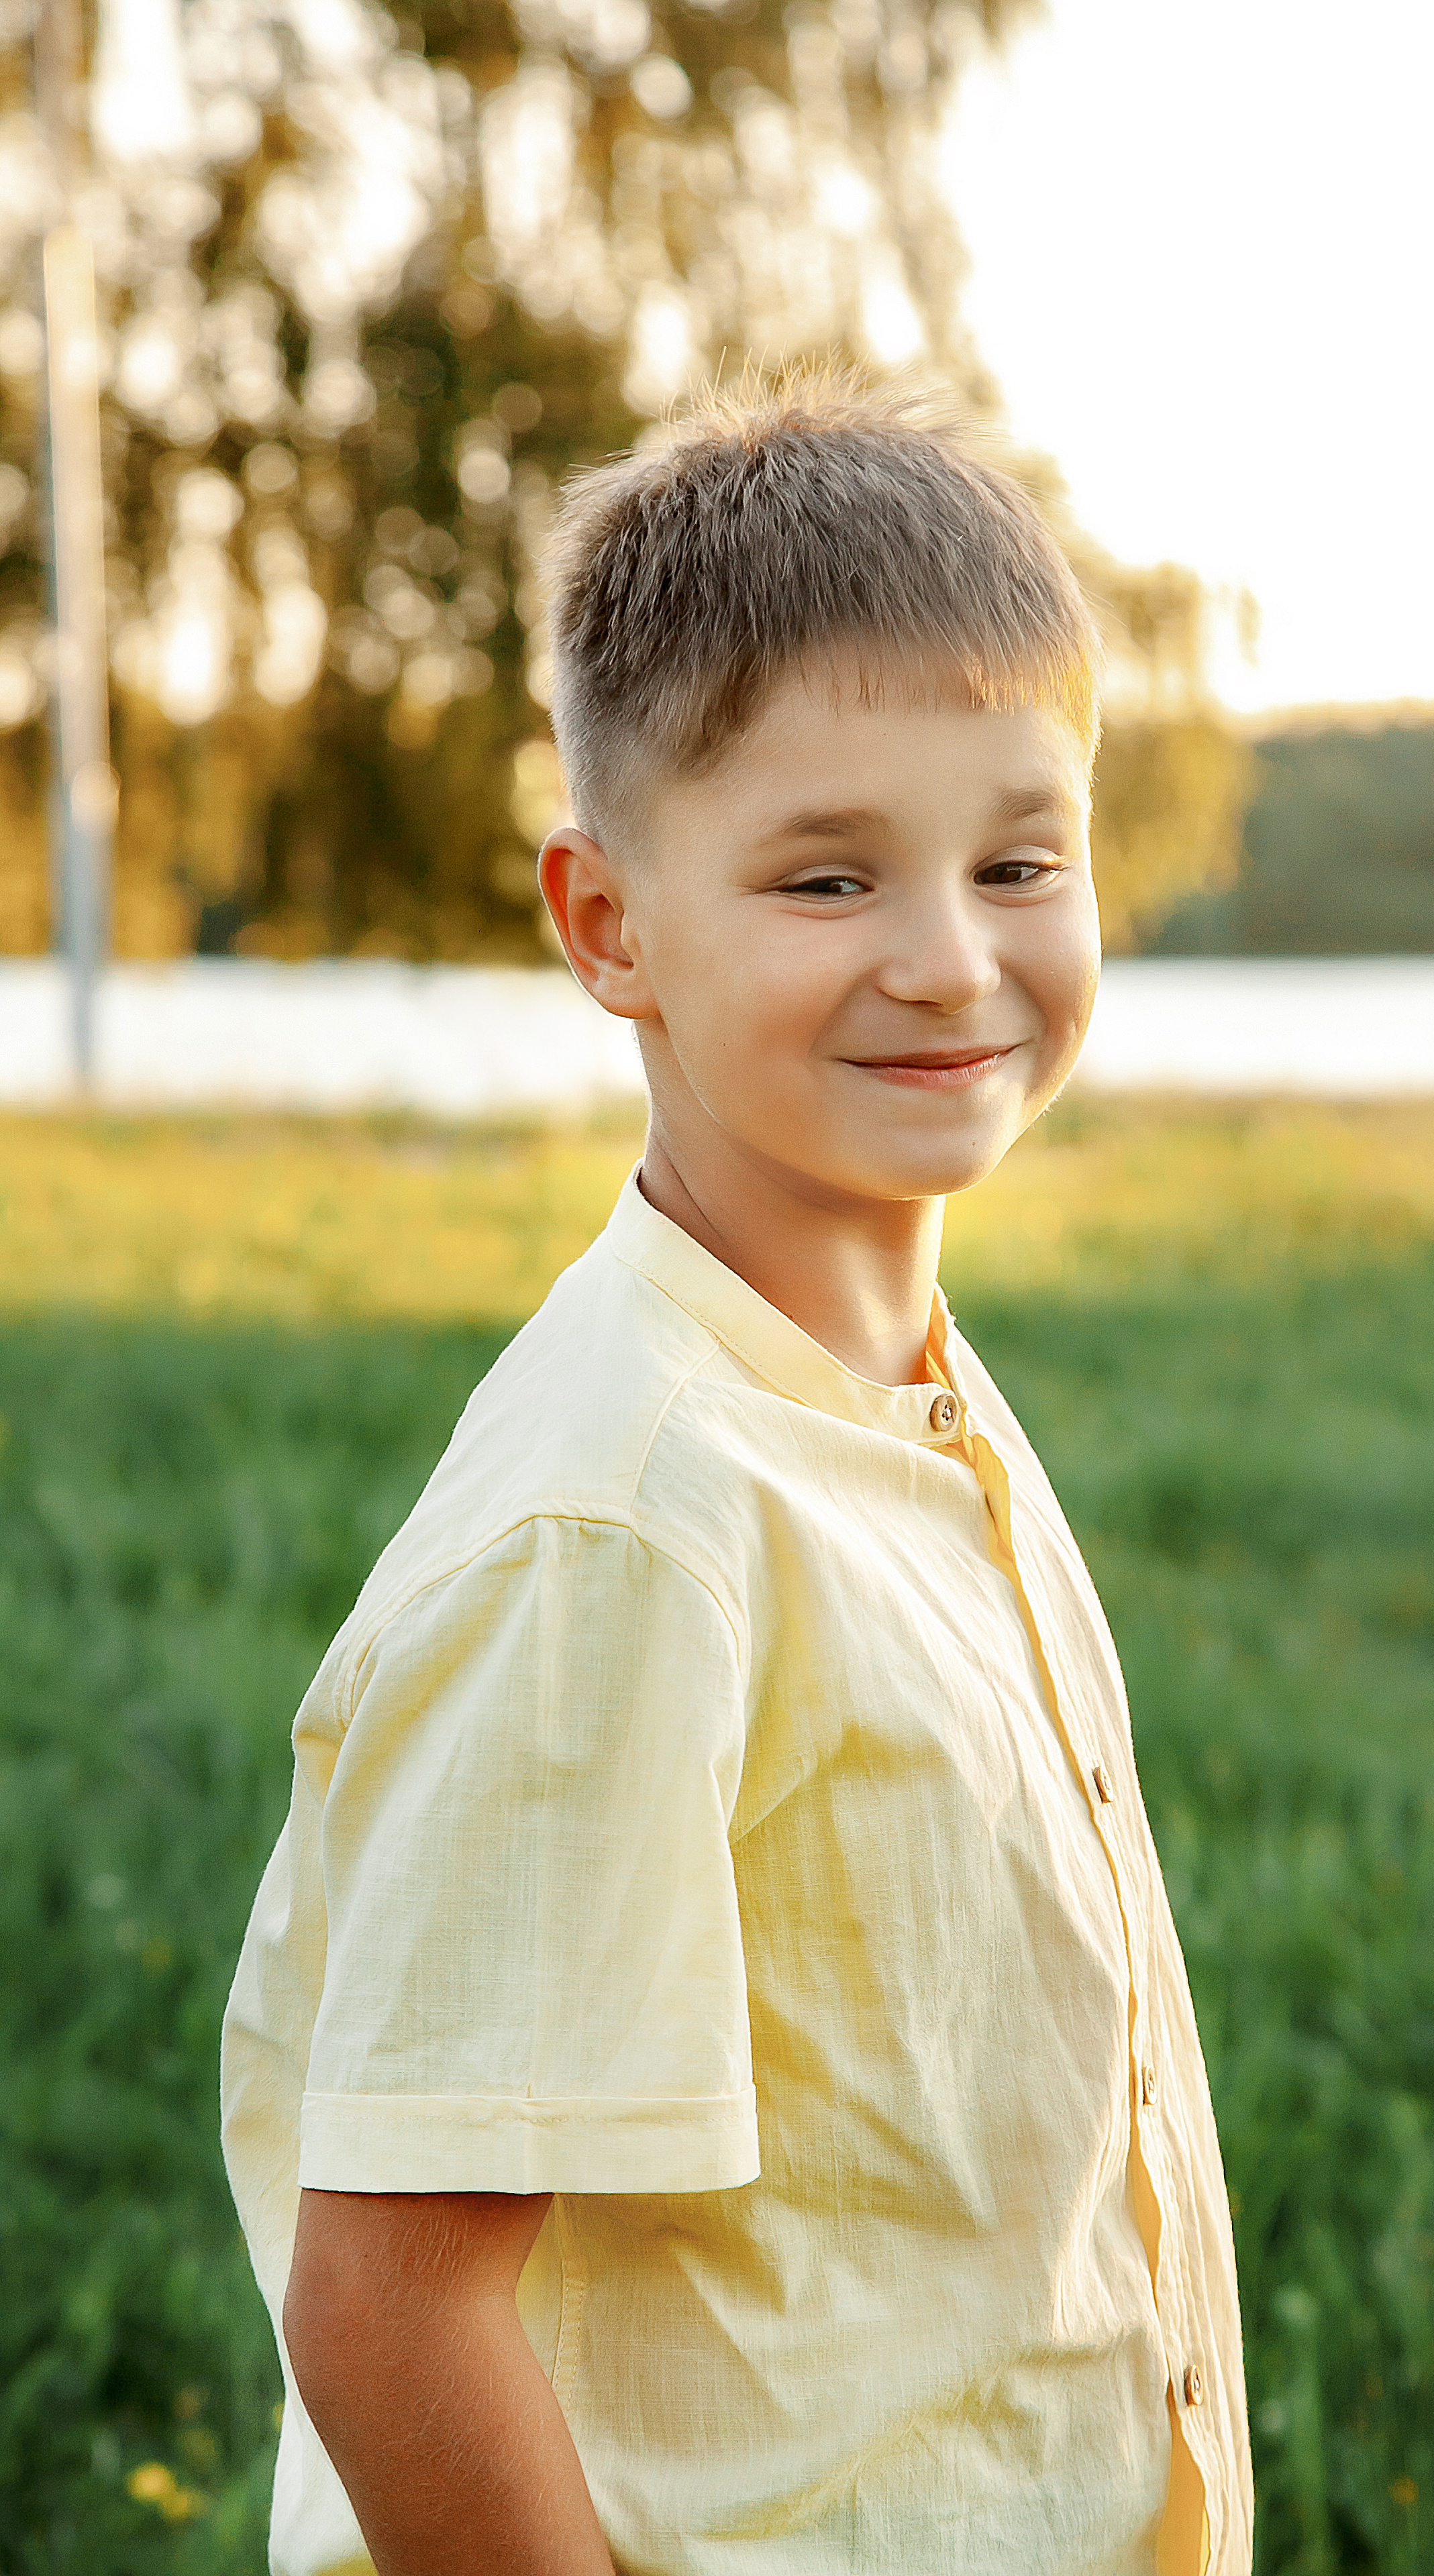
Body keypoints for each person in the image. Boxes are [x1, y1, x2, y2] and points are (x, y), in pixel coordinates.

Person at [222, 372, 1252, 2576]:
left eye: (1017, 860)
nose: (950, 958)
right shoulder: (623, 1530)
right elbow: (393, 2304)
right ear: (607, 927)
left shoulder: (901, 1396)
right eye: (824, 875)